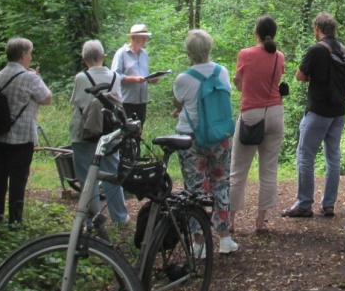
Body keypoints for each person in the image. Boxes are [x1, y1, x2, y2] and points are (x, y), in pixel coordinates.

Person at [172, 29, 239, 254]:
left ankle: (199, 244)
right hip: (220, 138)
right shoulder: (222, 73)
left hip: (191, 140)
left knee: (195, 190)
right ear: (209, 49)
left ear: (189, 52)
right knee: (221, 184)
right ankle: (225, 239)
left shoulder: (183, 79)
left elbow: (179, 103)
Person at [282, 12, 345, 219]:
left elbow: (300, 75)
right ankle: (328, 204)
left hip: (318, 110)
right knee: (333, 157)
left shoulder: (316, 50)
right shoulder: (342, 49)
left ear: (317, 29)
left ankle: (304, 204)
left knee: (305, 156)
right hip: (339, 111)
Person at [0, 38, 53, 226]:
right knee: (18, 178)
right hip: (21, 136)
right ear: (23, 55)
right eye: (30, 53)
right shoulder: (29, 78)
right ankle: (15, 219)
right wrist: (38, 77)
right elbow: (47, 98)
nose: (30, 57)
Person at [231, 16, 286, 235]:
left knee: (238, 170)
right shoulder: (279, 56)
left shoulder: (245, 54)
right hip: (275, 113)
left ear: (256, 32)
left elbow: (238, 81)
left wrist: (243, 87)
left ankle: (231, 221)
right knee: (269, 169)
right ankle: (261, 221)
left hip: (251, 114)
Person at [69, 39, 128, 235]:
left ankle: (92, 218)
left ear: (84, 59)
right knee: (112, 174)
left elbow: (76, 103)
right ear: (103, 57)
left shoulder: (80, 77)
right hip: (110, 133)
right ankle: (120, 216)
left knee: (87, 177)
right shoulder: (115, 77)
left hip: (84, 133)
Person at [111, 24, 158, 124]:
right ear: (132, 37)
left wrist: (151, 79)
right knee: (126, 131)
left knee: (138, 130)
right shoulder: (121, 53)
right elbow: (115, 76)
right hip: (126, 101)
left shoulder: (144, 54)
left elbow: (145, 74)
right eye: (141, 38)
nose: (144, 41)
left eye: (145, 39)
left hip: (142, 101)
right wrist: (134, 79)